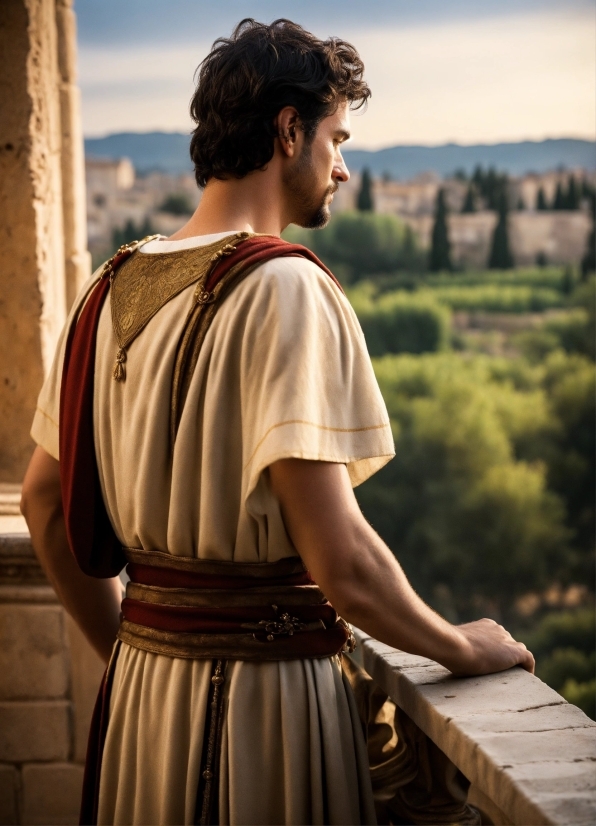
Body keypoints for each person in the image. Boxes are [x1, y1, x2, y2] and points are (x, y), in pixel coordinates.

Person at [20, 18, 534, 826]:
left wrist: (132, 647)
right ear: (289, 131)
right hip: (263, 712)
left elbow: (45, 503)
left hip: (139, 703)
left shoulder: (105, 289)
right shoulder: (290, 289)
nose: (345, 166)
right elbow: (343, 560)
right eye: (337, 137)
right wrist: (463, 647)